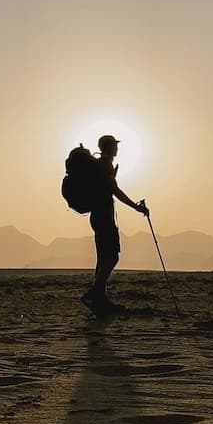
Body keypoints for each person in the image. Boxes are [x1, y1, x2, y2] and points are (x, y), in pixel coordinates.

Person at [81, 134, 148, 314]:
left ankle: (100, 300)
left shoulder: (100, 165)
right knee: (112, 256)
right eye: (115, 146)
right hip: (104, 216)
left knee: (103, 257)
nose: (117, 149)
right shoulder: (105, 165)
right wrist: (136, 207)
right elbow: (115, 191)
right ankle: (95, 294)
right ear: (109, 148)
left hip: (98, 216)